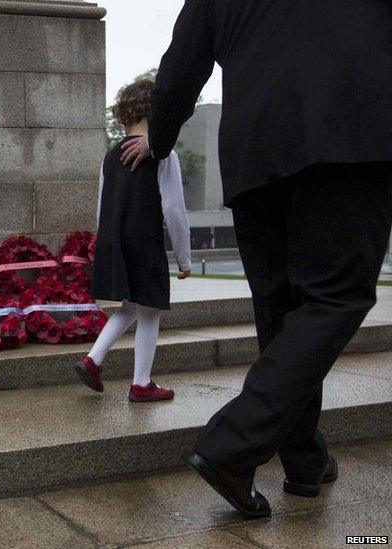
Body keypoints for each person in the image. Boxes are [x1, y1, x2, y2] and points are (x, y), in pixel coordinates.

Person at [121, 0, 392, 517]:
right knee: (336, 297)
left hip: (254, 155)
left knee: (281, 312)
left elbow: (180, 66)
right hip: (350, 137)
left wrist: (159, 139)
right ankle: (233, 445)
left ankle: (304, 460)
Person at [74, 78, 192, 403]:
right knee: (150, 309)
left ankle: (93, 359)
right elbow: (174, 208)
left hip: (115, 239)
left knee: (129, 306)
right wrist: (184, 257)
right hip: (144, 240)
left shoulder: (109, 158)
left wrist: (105, 244)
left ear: (123, 115)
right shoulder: (162, 153)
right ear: (159, 114)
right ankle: (141, 383)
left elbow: (102, 205)